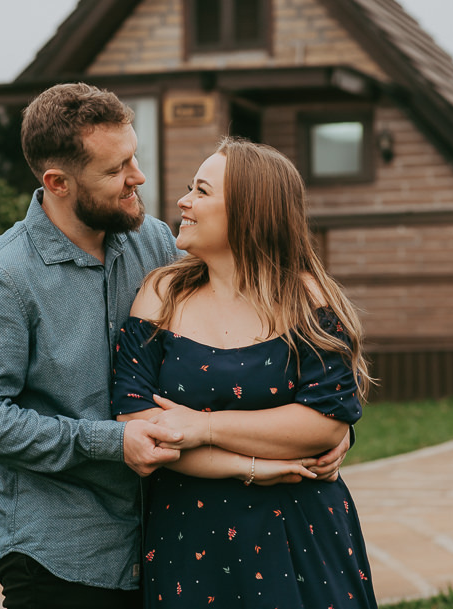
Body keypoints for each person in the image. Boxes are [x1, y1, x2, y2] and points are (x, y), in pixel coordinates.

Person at [0, 84, 349, 609]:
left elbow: (248, 347)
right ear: (58, 182)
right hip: (63, 554)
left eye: (134, 157)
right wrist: (112, 442)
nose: (138, 177)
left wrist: (317, 435)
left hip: (168, 536)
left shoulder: (154, 242)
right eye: (115, 170)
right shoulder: (1, 278)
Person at [111, 137, 379, 608]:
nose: (183, 201)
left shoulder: (306, 298)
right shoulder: (161, 293)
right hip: (190, 540)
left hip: (302, 531)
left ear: (250, 212)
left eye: (202, 191)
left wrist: (202, 426)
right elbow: (138, 429)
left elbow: (325, 422)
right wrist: (256, 465)